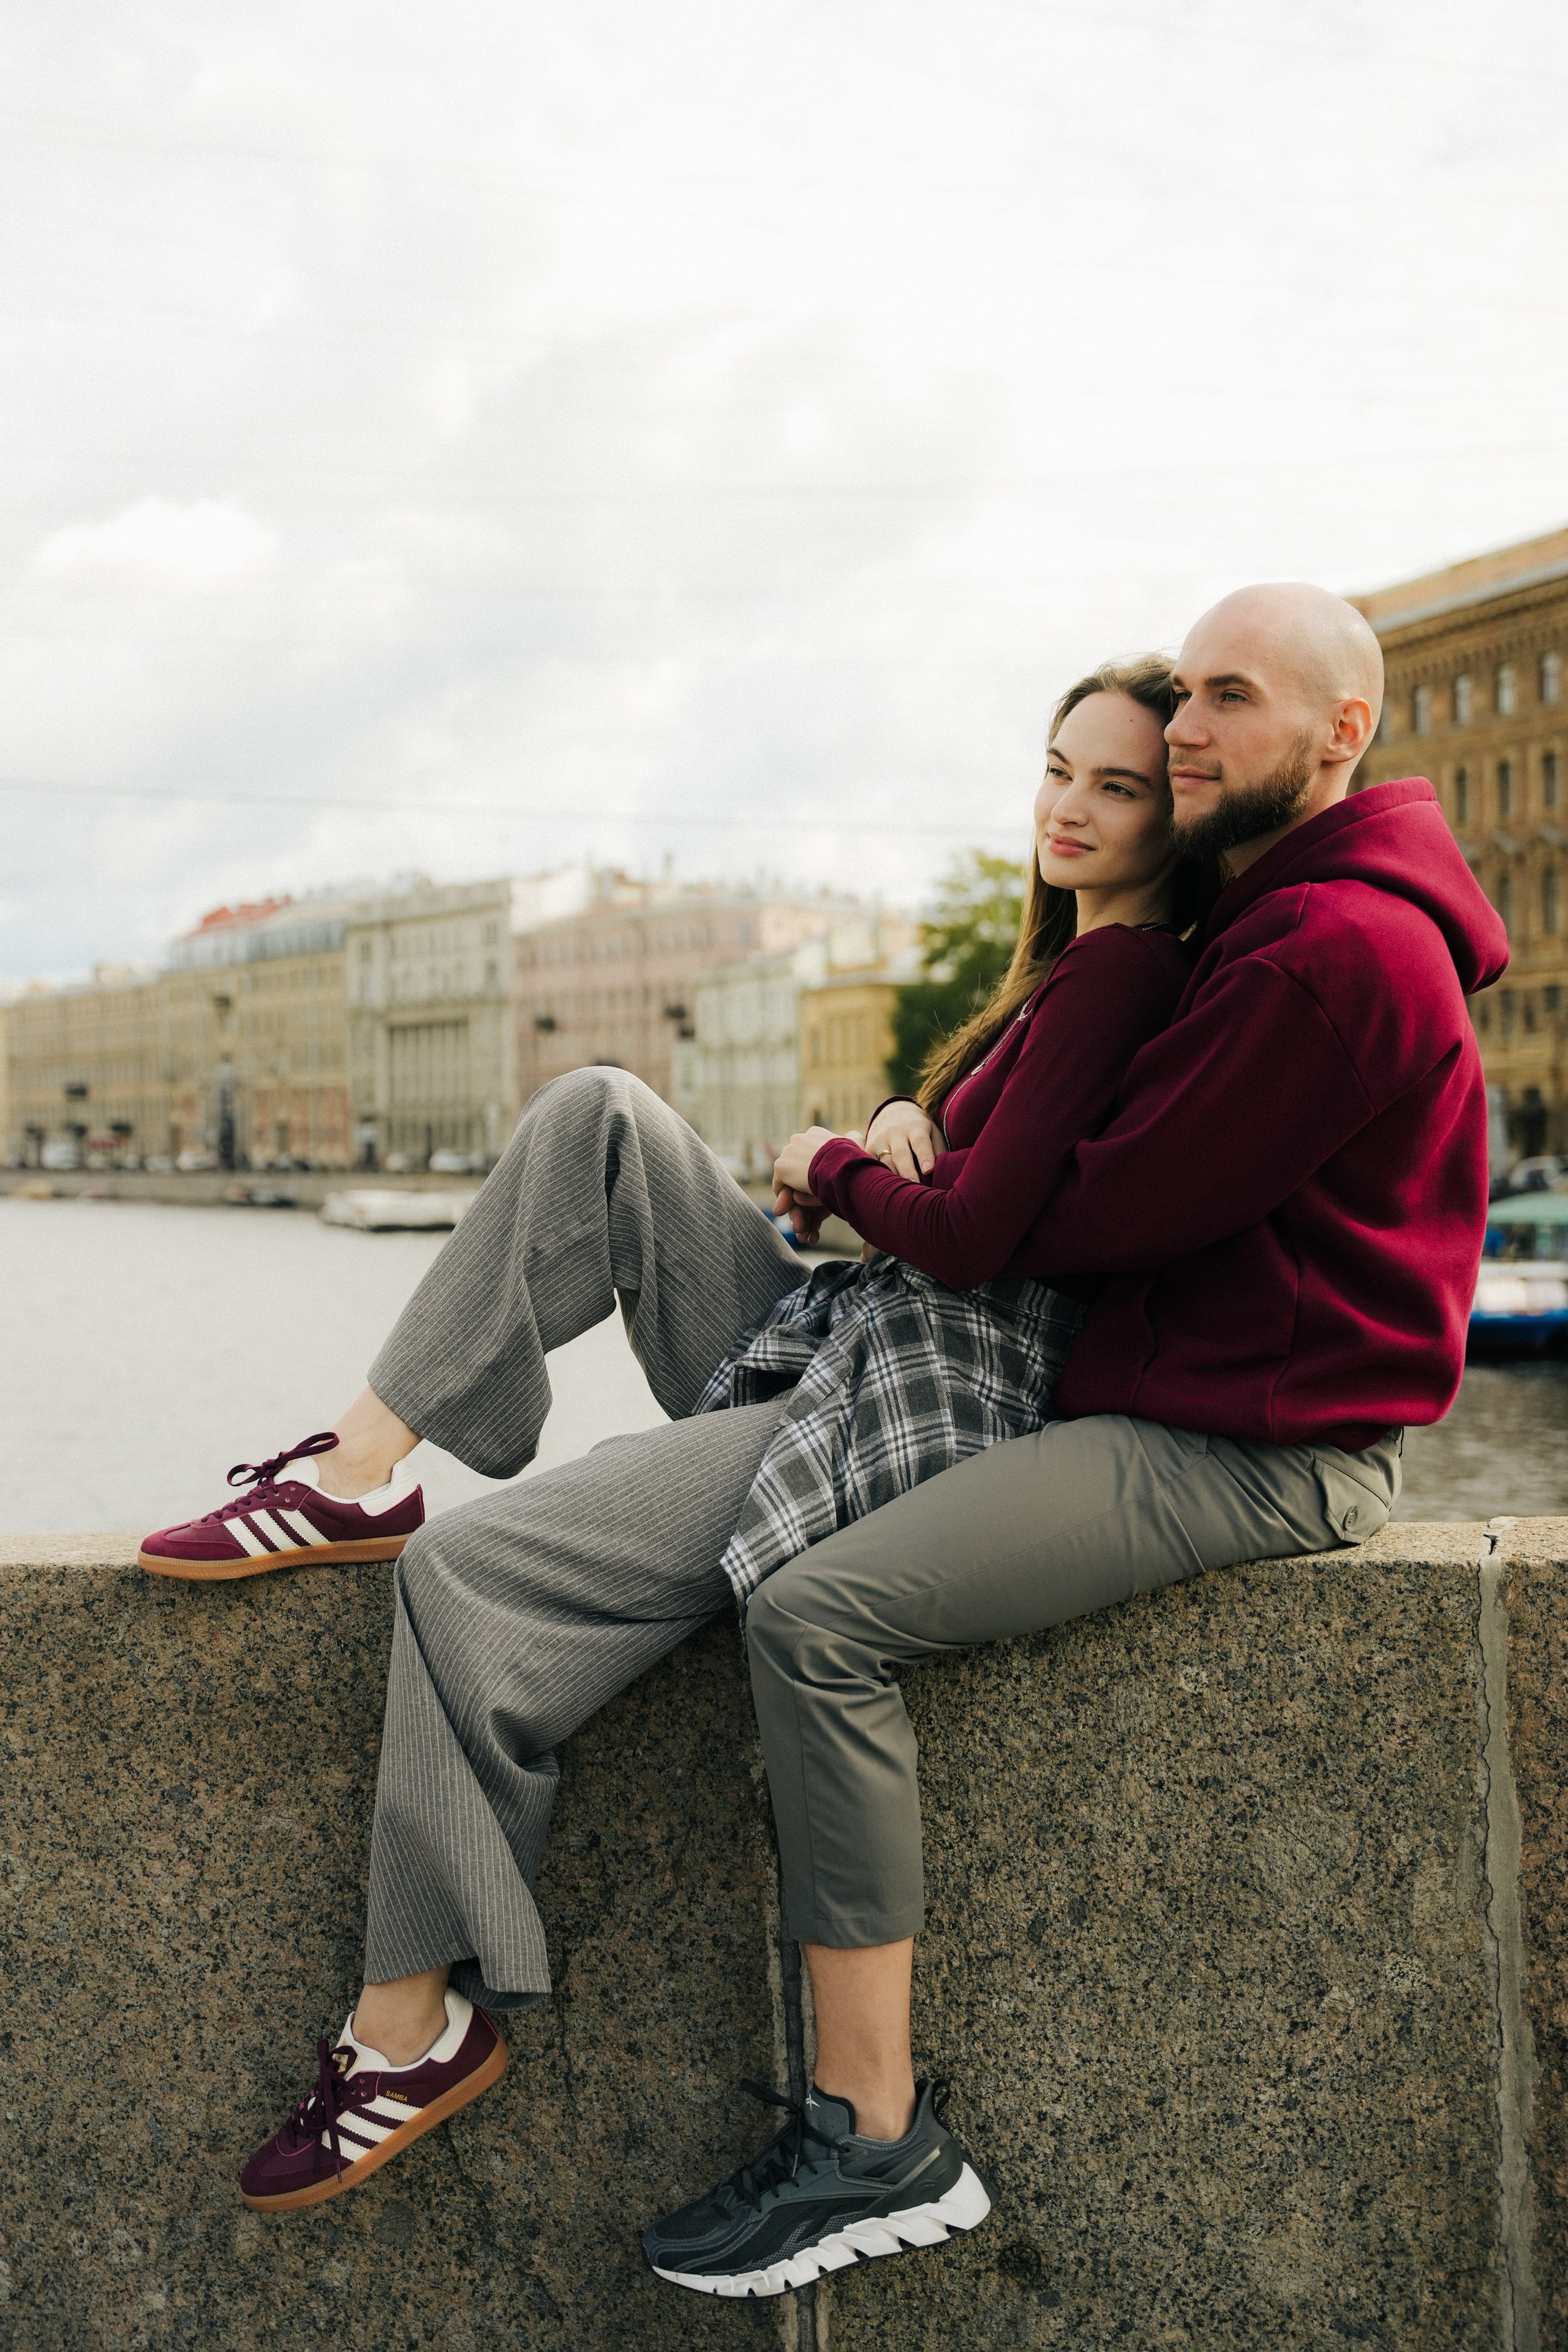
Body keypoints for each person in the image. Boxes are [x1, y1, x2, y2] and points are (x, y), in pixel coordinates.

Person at [135, 657, 1212, 2244]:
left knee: (474, 1571)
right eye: (1059, 767)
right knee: (598, 1115)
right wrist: (910, 1121)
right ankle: (351, 1466)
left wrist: (848, 1157)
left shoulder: (1127, 972)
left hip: (909, 1402)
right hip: (859, 1330)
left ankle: (409, 2028)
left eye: (1115, 786)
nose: (1067, 803)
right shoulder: (1067, 971)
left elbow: (980, 1242)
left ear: (1175, 817)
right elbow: (987, 1173)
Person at [636, 581, 1506, 2301]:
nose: (1185, 731)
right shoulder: (1276, 917)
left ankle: (871, 2138)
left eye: (1230, 701)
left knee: (821, 1618)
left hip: (1256, 1443)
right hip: (1191, 1400)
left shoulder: (1333, 951)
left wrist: (871, 1175)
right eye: (1181, 696)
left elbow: (1089, 1215)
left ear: (1342, 734)